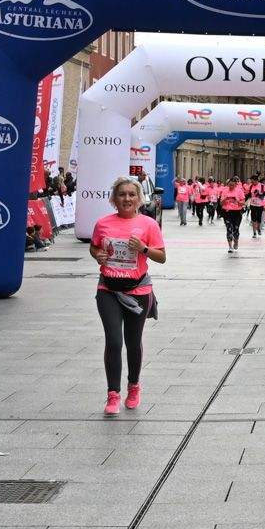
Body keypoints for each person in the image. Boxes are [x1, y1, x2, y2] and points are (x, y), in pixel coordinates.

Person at [89, 177, 166, 415]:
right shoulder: (103, 223)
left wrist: (143, 248)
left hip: (138, 291)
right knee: (113, 341)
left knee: (133, 343)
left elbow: (161, 257)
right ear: (114, 199)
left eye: (132, 194)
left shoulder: (148, 224)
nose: (127, 199)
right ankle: (113, 395)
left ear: (139, 199)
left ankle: (134, 386)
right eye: (122, 194)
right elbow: (94, 247)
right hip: (108, 290)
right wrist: (98, 255)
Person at [218, 177, 246, 254]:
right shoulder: (224, 191)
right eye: (229, 185)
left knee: (236, 229)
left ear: (235, 185)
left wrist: (236, 200)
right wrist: (225, 199)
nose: (231, 187)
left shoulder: (239, 191)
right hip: (227, 212)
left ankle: (236, 242)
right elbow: (221, 203)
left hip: (237, 212)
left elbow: (243, 203)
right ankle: (230, 246)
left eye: (232, 185)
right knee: (229, 228)